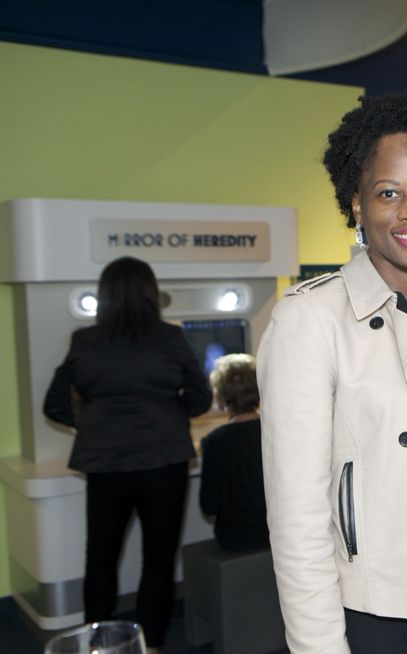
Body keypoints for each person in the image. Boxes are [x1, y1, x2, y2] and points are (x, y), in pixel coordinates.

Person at [257, 94, 407, 654]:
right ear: (357, 204)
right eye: (389, 193)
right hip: (387, 620)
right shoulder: (311, 319)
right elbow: (298, 524)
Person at [43, 256, 212, 654]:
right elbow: (201, 397)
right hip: (164, 460)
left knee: (100, 557)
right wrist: (170, 416)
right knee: (159, 557)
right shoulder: (171, 338)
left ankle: (97, 643)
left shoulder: (85, 341)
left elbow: (53, 404)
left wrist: (91, 424)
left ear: (104, 295)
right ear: (151, 294)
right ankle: (150, 644)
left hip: (104, 463)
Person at [199, 353, 269, 551]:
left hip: (238, 536)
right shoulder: (277, 431)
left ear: (221, 396)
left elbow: (209, 506)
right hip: (277, 529)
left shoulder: (215, 442)